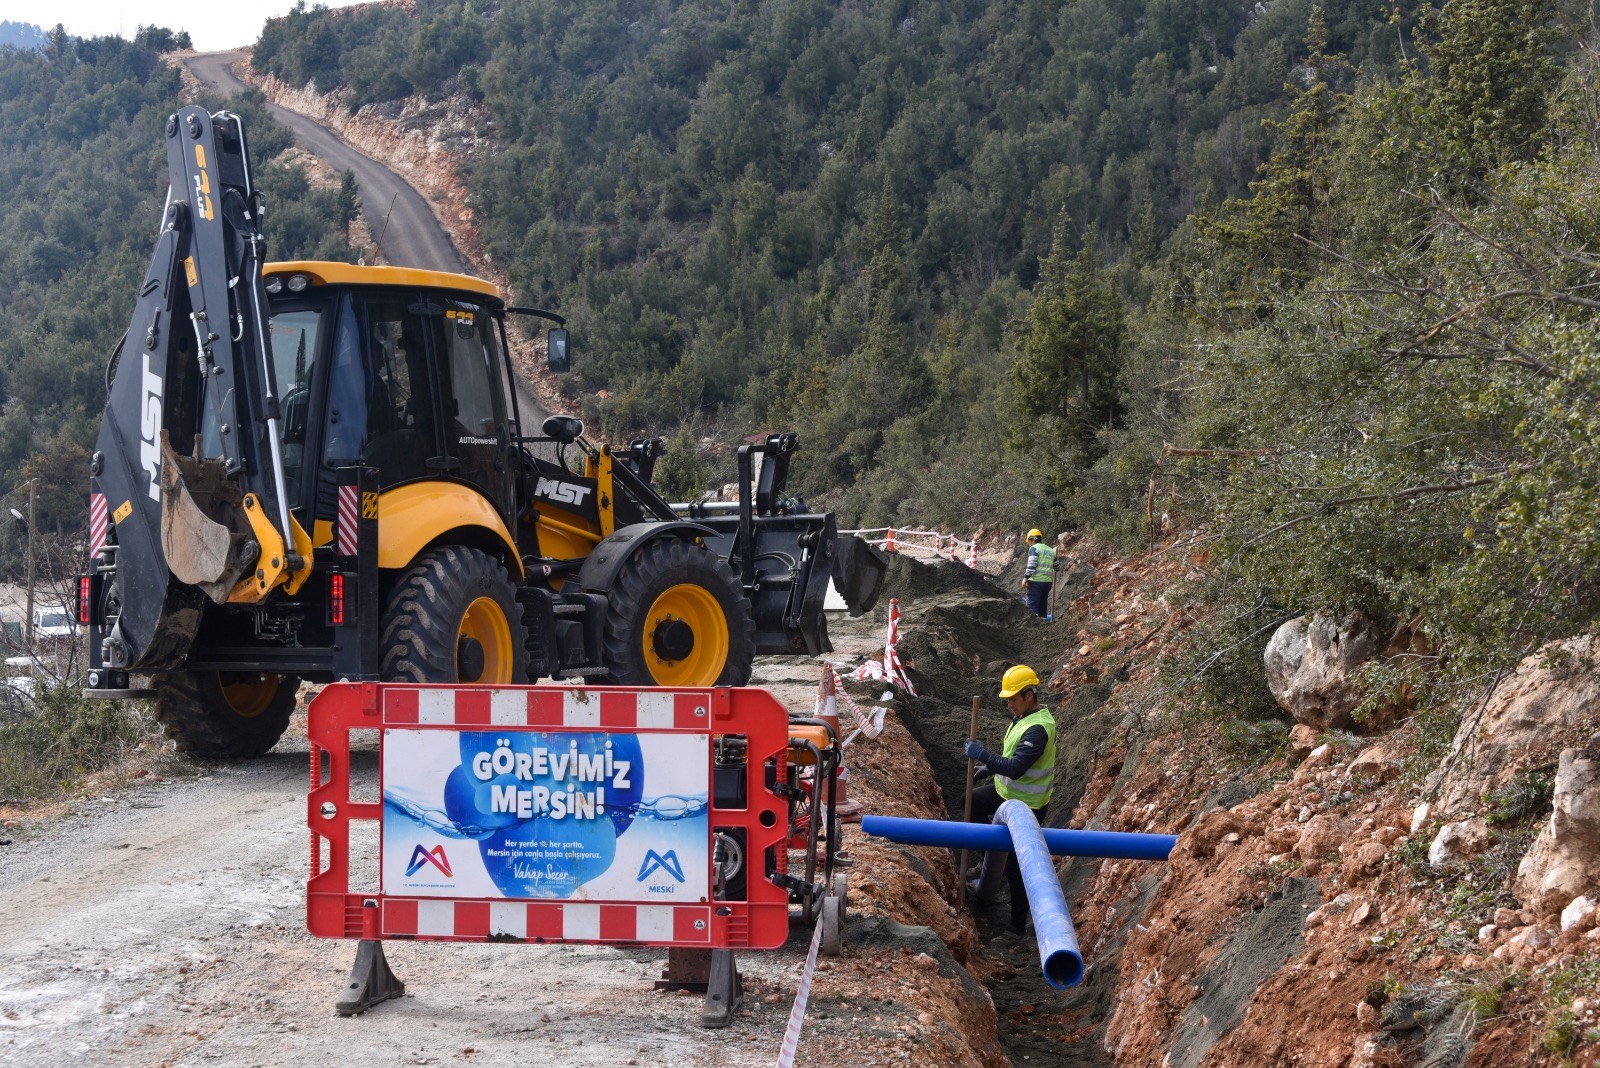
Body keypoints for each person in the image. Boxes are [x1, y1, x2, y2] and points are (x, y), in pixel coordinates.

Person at [963, 664, 1057, 939]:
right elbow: (1013, 758)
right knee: (969, 802)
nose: (1009, 705)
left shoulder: (1038, 728)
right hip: (1006, 794)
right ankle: (988, 860)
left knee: (1018, 868)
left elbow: (1016, 768)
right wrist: (991, 769)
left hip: (1027, 805)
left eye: (1013, 699)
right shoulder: (1023, 717)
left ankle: (1016, 927)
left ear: (1030, 694)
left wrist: (983, 756)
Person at [1022, 529, 1055, 620]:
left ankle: (1032, 628)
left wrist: (1025, 578)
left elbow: (1032, 565)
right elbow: (1057, 566)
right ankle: (1043, 625)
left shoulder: (1034, 548)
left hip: (1035, 581)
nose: (1029, 543)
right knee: (1042, 607)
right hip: (1048, 582)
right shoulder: (1050, 550)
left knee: (1032, 607)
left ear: (1033, 539)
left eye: (1029, 541)